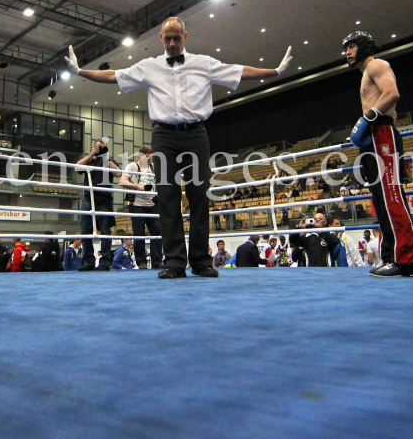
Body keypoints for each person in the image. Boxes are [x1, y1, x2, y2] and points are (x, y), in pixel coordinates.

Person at [65, 17, 292, 279]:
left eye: (177, 38)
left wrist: (275, 72)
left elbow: (239, 71)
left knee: (199, 196)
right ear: (160, 38)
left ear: (185, 37)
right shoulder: (149, 66)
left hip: (196, 134)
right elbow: (114, 75)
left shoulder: (203, 63)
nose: (172, 43)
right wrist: (80, 72)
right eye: (168, 38)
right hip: (163, 136)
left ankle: (200, 261)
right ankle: (173, 261)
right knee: (168, 198)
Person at [343, 32, 413, 277]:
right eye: (345, 48)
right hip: (373, 136)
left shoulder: (377, 65)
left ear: (365, 46)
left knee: (390, 195)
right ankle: (392, 257)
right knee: (380, 199)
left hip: (382, 133)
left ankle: (407, 259)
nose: (347, 52)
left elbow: (392, 94)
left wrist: (367, 119)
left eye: (352, 46)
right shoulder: (365, 74)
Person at [74, 137, 122, 271]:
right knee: (85, 231)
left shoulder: (109, 160)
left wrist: (106, 157)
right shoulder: (90, 160)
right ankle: (89, 261)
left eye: (102, 146)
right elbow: (77, 167)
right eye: (98, 146)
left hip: (103, 199)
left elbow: (118, 173)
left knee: (105, 231)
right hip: (88, 199)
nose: (100, 148)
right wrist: (91, 154)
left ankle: (105, 261)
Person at [119, 145, 162, 270]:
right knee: (139, 233)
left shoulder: (154, 168)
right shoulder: (133, 166)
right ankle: (141, 261)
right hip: (137, 204)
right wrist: (139, 187)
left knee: (157, 232)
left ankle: (157, 261)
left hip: (152, 204)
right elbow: (122, 181)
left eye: (151, 157)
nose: (149, 160)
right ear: (141, 156)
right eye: (148, 157)